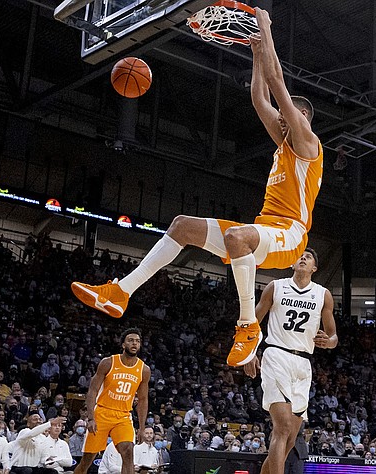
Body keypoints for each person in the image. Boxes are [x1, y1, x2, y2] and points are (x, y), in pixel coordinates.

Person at [70, 7, 324, 368]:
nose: (279, 119)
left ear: (300, 119)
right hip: (265, 230)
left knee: (237, 236)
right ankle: (120, 292)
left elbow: (277, 84)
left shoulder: (306, 142)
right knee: (181, 225)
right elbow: (259, 100)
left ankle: (248, 325)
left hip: (290, 235)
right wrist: (254, 54)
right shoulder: (284, 143)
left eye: (287, 116)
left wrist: (265, 30)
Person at [244, 248, 337, 474]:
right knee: (282, 429)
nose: (303, 257)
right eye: (300, 256)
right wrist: (249, 353)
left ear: (314, 268)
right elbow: (252, 322)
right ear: (292, 264)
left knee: (291, 440)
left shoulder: (323, 294)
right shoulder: (276, 287)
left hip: (304, 363)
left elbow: (333, 336)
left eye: (309, 257)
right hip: (277, 356)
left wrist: (329, 341)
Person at [73, 329, 150, 474]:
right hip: (102, 412)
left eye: (137, 341)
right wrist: (90, 418)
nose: (134, 343)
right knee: (87, 460)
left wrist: (142, 427)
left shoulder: (144, 370)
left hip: (123, 416)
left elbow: (143, 399)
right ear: (123, 344)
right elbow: (93, 391)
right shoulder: (108, 362)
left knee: (128, 451)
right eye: (130, 340)